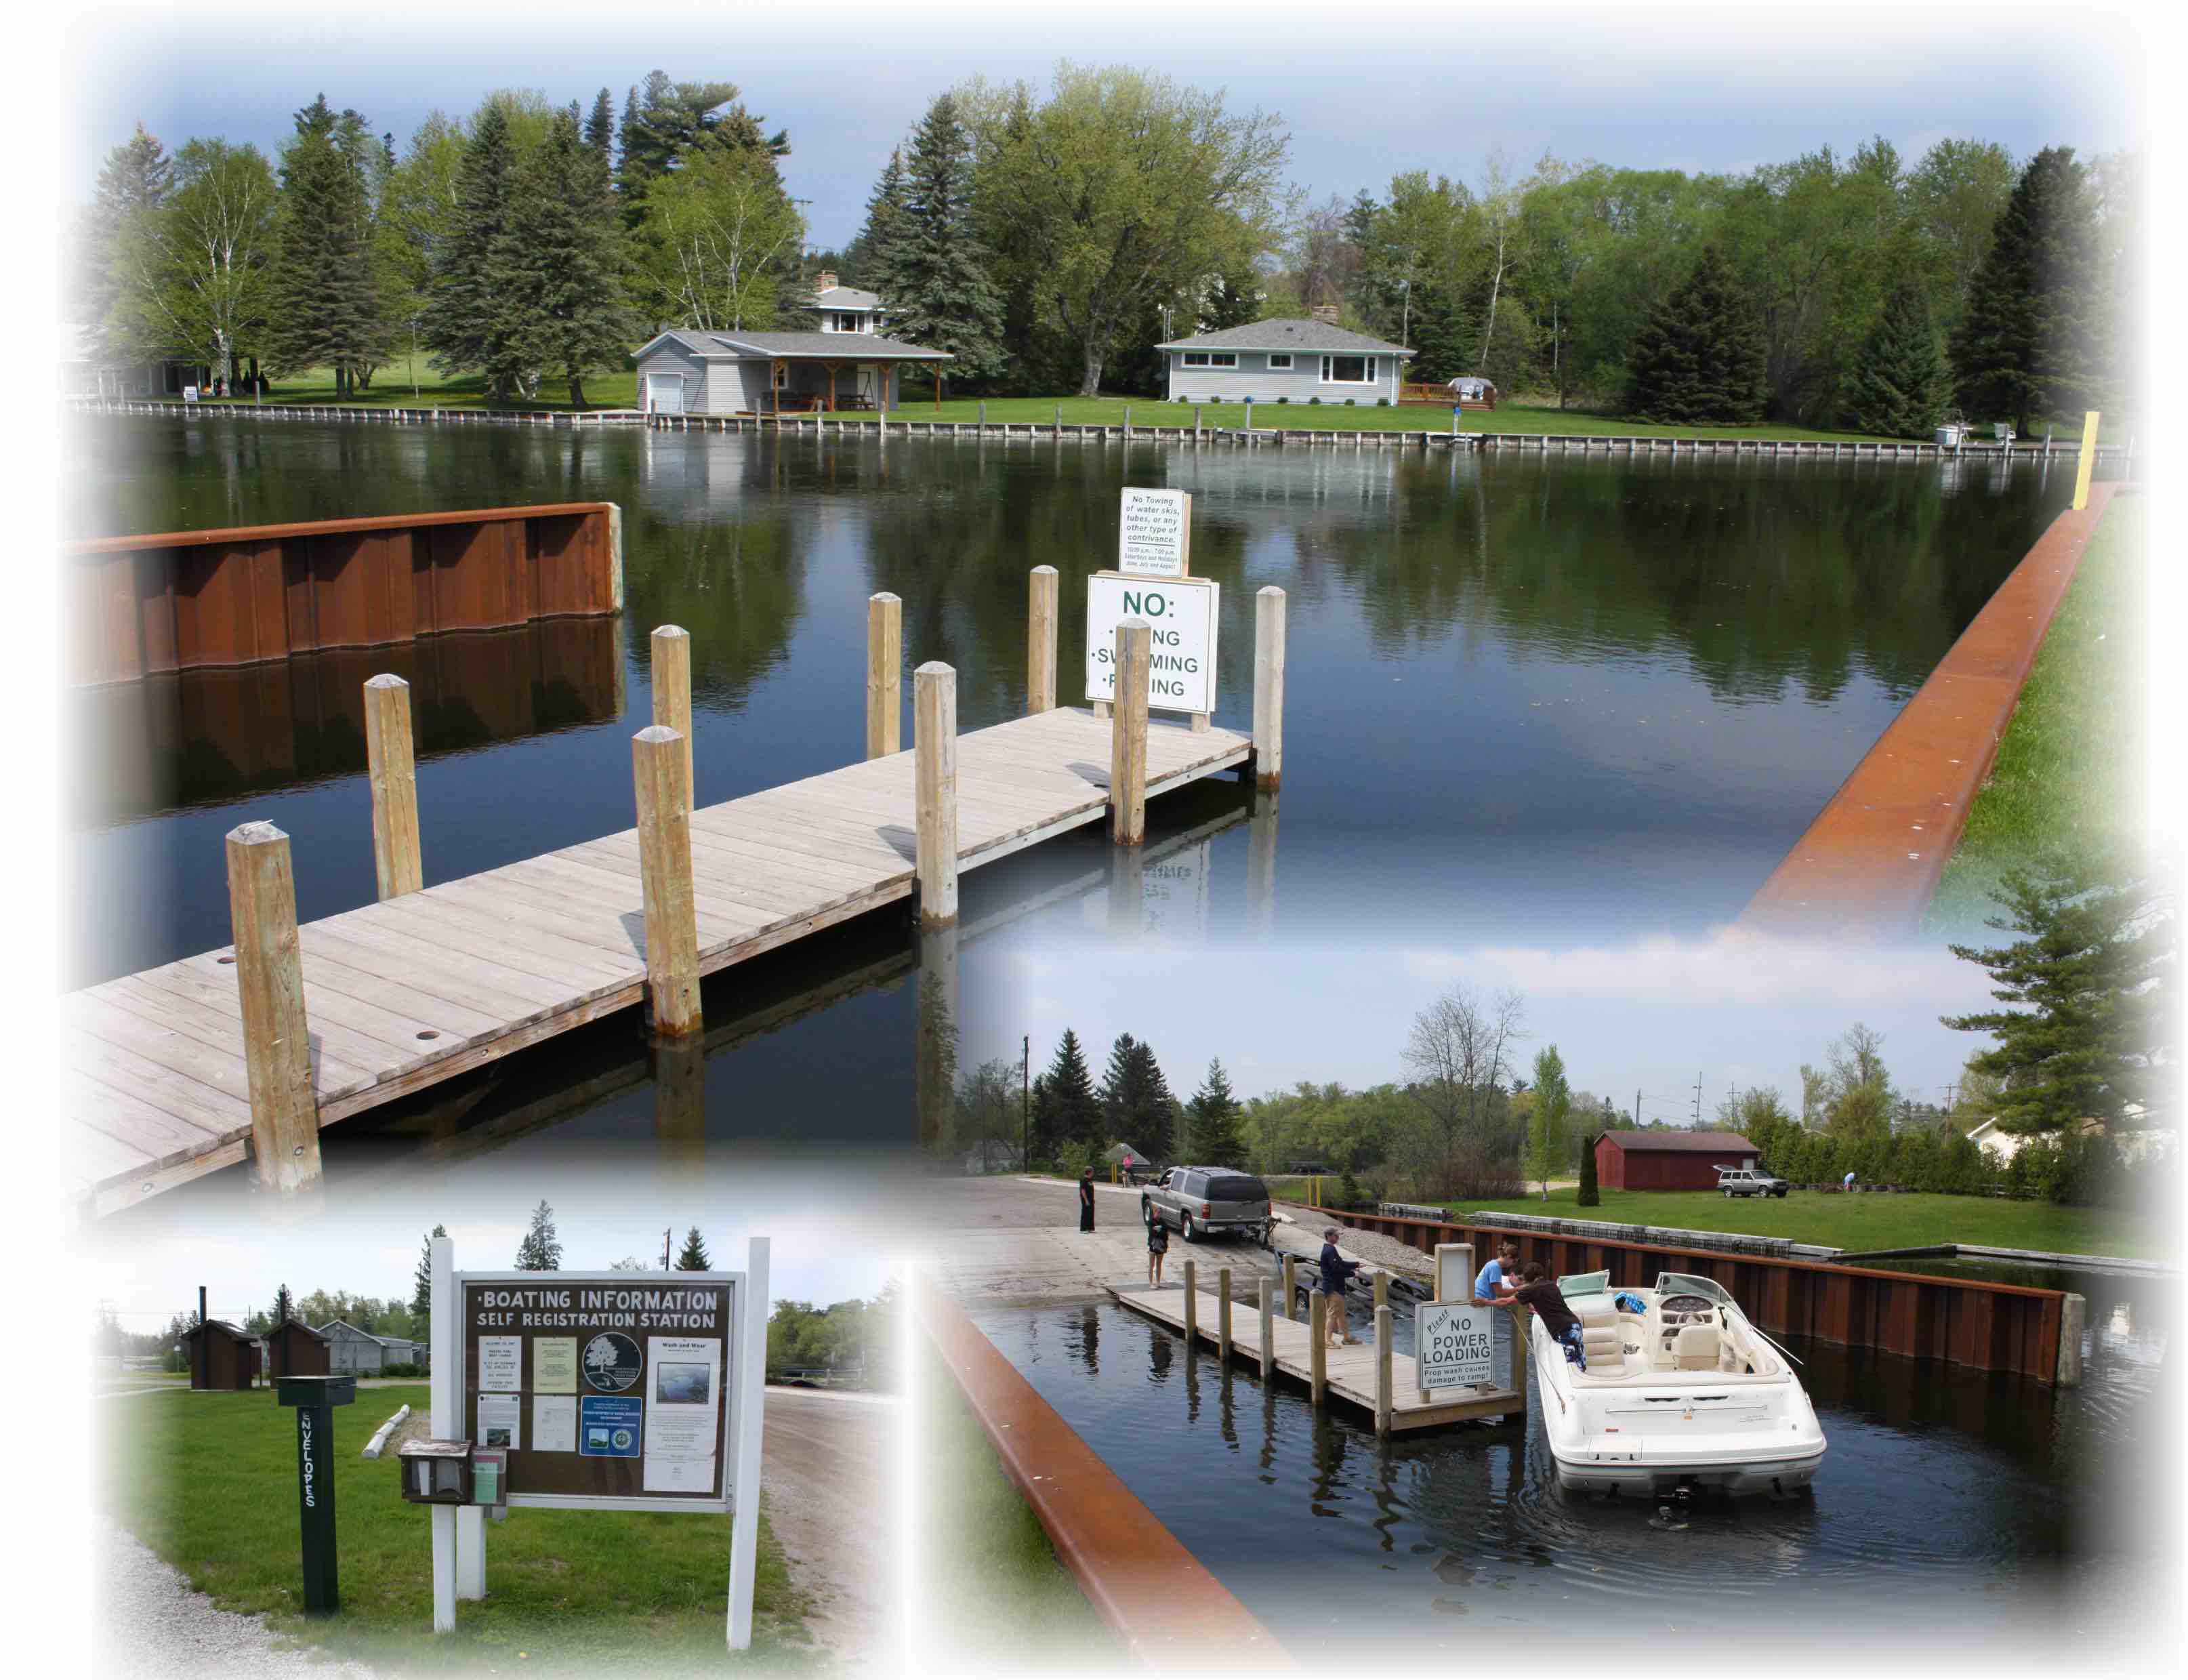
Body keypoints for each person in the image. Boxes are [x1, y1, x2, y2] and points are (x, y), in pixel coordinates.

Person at [1510, 1261, 1586, 1369]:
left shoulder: (1532, 1289)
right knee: (1580, 1362)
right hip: (1575, 1325)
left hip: (1563, 1329)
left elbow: (1506, 1301)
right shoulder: (1552, 1285)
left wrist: (1488, 1302)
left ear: (1528, 1277)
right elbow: (1548, 1304)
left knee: (1570, 1366)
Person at [1319, 1227, 1360, 1347]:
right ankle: (1327, 1341)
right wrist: (1352, 1273)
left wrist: (1356, 1264)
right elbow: (1336, 1269)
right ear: (1329, 1236)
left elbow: (1340, 1263)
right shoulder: (1329, 1250)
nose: (1338, 1238)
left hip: (1337, 1287)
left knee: (1341, 1314)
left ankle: (1347, 1338)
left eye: (1338, 1235)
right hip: (1333, 1288)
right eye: (1336, 1236)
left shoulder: (1331, 1249)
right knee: (1332, 1314)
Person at [1473, 1240, 1521, 1305]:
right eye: (1514, 1261)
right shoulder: (1496, 1267)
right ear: (1508, 1256)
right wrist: (1519, 1288)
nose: (1513, 1264)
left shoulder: (1492, 1263)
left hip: (1479, 1299)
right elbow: (1500, 1293)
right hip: (1480, 1301)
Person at [1147, 1208, 1170, 1286]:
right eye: (1158, 1212)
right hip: (1153, 1245)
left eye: (1161, 1213)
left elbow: (1166, 1233)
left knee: (1159, 1265)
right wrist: (1162, 1232)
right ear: (1155, 1212)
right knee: (1151, 1265)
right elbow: (1152, 1233)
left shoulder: (1163, 1222)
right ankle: (1151, 1283)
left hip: (1161, 1246)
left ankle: (1158, 1282)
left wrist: (1158, 1231)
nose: (1159, 1214)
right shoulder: (1151, 1222)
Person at [1079, 1168, 1096, 1233]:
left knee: (1091, 1214)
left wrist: (1093, 1199)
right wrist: (1086, 1200)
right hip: (1086, 1199)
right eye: (1093, 1172)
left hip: (1091, 1199)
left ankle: (1090, 1228)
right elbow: (1083, 1190)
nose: (1093, 1173)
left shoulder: (1090, 1180)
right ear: (1089, 1172)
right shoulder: (1084, 1180)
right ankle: (1083, 1229)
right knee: (1085, 1213)